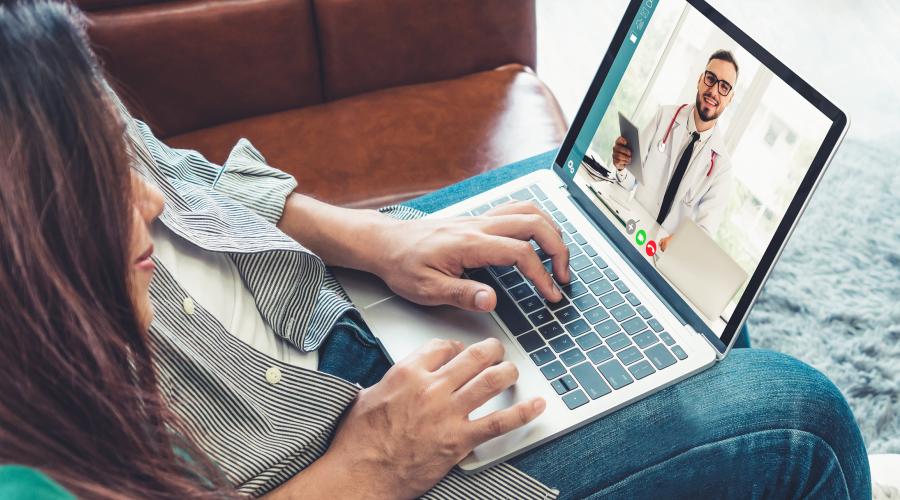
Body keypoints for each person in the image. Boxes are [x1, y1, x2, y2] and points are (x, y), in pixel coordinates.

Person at [0, 3, 872, 498]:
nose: (150, 206)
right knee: (807, 421)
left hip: (309, 290)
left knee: (668, 311)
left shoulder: (24, 62)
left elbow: (172, 174)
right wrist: (366, 467)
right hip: (324, 454)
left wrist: (379, 236)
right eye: (100, 187)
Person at [612, 50, 738, 250]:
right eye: (710, 79)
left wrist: (680, 243)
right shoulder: (664, 116)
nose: (714, 91)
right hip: (631, 229)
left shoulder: (722, 168)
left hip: (662, 253)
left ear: (730, 98)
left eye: (724, 87)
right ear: (700, 80)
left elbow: (704, 231)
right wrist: (620, 166)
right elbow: (628, 180)